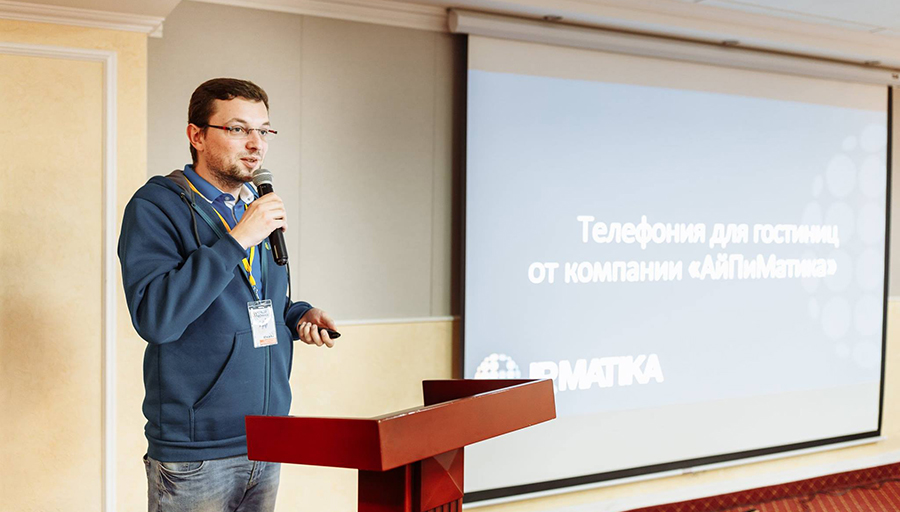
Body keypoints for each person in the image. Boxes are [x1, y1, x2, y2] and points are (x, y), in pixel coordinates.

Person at [118, 78, 336, 511]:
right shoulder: (156, 207)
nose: (256, 144)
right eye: (238, 129)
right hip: (196, 452)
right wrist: (238, 239)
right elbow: (157, 319)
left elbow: (254, 301)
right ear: (196, 135)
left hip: (267, 437)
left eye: (264, 130)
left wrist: (297, 314)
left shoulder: (254, 206)